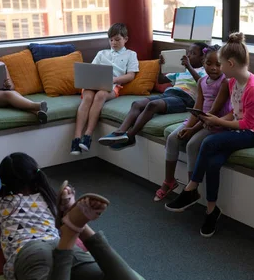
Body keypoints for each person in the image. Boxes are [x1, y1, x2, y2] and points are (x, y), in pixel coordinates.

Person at [0, 153, 141, 280]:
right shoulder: (47, 198)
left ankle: (71, 230)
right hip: (57, 244)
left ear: (4, 183)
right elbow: (53, 226)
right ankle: (77, 225)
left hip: (30, 253)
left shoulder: (0, 203)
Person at [165, 33, 254, 238]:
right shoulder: (233, 82)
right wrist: (213, 118)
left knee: (209, 141)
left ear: (231, 63)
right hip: (237, 127)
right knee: (213, 163)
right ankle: (211, 210)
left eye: (221, 64)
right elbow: (235, 111)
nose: (220, 69)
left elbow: (248, 123)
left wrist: (216, 121)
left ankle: (190, 189)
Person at [154, 44, 230, 202]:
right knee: (172, 138)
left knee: (191, 144)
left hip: (216, 123)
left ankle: (191, 189)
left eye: (218, 64)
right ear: (203, 63)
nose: (213, 68)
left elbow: (213, 113)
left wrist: (192, 130)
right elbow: (198, 106)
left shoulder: (225, 83)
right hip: (200, 119)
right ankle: (169, 181)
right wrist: (188, 125)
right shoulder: (202, 81)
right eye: (209, 64)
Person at [98, 42, 207, 150]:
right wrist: (161, 66)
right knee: (137, 104)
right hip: (169, 93)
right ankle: (119, 132)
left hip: (185, 99)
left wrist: (189, 67)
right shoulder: (181, 70)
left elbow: (202, 84)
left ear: (202, 58)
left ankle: (130, 136)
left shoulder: (204, 72)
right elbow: (161, 80)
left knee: (152, 105)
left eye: (193, 53)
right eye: (188, 52)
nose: (188, 56)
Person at [71, 23, 139, 155]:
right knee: (88, 97)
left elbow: (131, 75)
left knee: (101, 95)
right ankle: (76, 138)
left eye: (117, 39)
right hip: (93, 83)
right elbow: (91, 70)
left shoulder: (131, 55)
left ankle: (88, 136)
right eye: (111, 40)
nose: (113, 43)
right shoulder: (102, 53)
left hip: (113, 86)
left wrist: (113, 80)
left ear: (126, 39)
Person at [0, 35, 48, 124]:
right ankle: (37, 106)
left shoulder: (0, 64)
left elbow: (12, 86)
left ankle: (38, 113)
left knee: (14, 94)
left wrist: (8, 85)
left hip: (4, 91)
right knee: (9, 95)